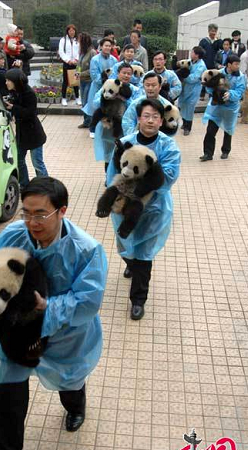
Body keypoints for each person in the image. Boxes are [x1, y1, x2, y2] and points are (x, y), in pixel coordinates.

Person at [0, 176, 107, 450]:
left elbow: (87, 302)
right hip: (19, 332)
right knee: (8, 388)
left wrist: (46, 308)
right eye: (26, 213)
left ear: (62, 210)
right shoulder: (14, 234)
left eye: (40, 214)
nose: (31, 222)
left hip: (66, 334)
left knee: (69, 380)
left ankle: (75, 407)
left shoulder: (87, 249)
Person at [106, 98, 180, 320]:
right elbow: (113, 173)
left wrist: (142, 179)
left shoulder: (168, 146)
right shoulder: (125, 143)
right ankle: (131, 263)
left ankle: (138, 300)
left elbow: (167, 177)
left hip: (154, 209)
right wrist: (115, 198)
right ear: (138, 119)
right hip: (125, 207)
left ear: (161, 121)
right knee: (125, 247)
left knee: (144, 255)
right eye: (146, 116)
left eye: (155, 117)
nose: (150, 120)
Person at [93, 62, 140, 176]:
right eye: (123, 73)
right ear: (118, 73)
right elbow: (95, 102)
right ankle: (108, 177)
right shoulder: (109, 84)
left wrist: (124, 99)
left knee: (125, 153)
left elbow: (138, 106)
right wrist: (108, 97)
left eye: (129, 73)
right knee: (109, 154)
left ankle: (121, 177)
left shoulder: (135, 89)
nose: (126, 76)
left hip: (127, 128)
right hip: (109, 127)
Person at [4, 69, 48, 189]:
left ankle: (45, 187)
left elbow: (30, 113)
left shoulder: (29, 93)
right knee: (19, 160)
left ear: (16, 81)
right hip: (21, 134)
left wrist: (13, 107)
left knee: (37, 163)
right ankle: (24, 184)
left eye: (8, 80)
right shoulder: (14, 92)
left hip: (34, 134)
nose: (6, 83)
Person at [200, 54, 246, 161]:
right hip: (216, 107)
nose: (238, 66)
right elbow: (209, 87)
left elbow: (240, 92)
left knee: (228, 130)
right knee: (210, 130)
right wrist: (215, 92)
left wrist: (230, 94)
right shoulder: (218, 73)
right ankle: (208, 153)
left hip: (231, 107)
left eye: (238, 64)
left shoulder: (240, 76)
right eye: (236, 64)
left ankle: (225, 150)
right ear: (229, 64)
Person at [82, 37, 116, 139]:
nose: (108, 47)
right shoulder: (95, 59)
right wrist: (104, 82)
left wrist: (111, 85)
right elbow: (94, 75)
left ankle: (106, 129)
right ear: (101, 47)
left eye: (109, 46)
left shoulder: (114, 59)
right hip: (97, 87)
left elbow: (114, 74)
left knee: (108, 109)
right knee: (95, 108)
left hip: (110, 89)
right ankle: (92, 129)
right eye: (106, 45)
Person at [179, 46, 206, 135]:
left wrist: (184, 77)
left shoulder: (201, 66)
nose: (191, 54)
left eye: (192, 52)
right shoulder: (189, 61)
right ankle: (184, 122)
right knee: (182, 105)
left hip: (194, 89)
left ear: (197, 55)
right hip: (185, 88)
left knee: (190, 107)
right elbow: (182, 65)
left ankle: (188, 127)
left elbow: (194, 78)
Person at [58, 24, 81, 107]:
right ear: (67, 31)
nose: (72, 32)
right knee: (65, 81)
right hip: (67, 64)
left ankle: (77, 98)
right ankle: (63, 98)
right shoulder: (63, 40)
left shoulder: (77, 40)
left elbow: (80, 51)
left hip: (76, 64)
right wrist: (68, 60)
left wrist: (76, 60)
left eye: (73, 30)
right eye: (70, 30)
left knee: (76, 81)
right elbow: (61, 52)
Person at [77, 32, 97, 129]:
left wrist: (82, 74)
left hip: (89, 81)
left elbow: (93, 68)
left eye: (79, 41)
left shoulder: (92, 52)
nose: (78, 42)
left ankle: (89, 122)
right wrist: (77, 72)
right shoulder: (82, 52)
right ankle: (86, 121)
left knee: (87, 102)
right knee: (83, 101)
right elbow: (79, 64)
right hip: (82, 80)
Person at [199, 23, 223, 100]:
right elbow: (200, 51)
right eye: (212, 31)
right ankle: (202, 95)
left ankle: (211, 95)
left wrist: (219, 39)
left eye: (215, 31)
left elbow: (221, 48)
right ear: (208, 31)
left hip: (214, 63)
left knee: (213, 79)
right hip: (205, 62)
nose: (213, 33)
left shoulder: (218, 41)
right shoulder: (204, 41)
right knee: (204, 78)